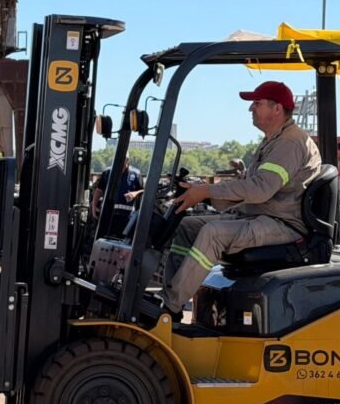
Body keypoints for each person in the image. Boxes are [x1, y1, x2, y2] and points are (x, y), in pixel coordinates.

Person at [161, 81, 321, 319]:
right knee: (186, 227)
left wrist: (206, 191)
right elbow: (247, 190)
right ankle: (172, 297)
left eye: (257, 103)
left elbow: (260, 190)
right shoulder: (273, 140)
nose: (251, 109)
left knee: (213, 233)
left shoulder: (289, 143)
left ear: (277, 108)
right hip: (262, 215)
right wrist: (201, 194)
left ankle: (169, 309)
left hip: (284, 224)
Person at [91, 154, 144, 236]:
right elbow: (98, 191)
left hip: (127, 218)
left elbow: (144, 191)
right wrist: (94, 208)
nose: (122, 164)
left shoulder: (136, 174)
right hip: (108, 216)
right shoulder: (107, 173)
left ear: (128, 160)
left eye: (125, 160)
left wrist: (135, 193)